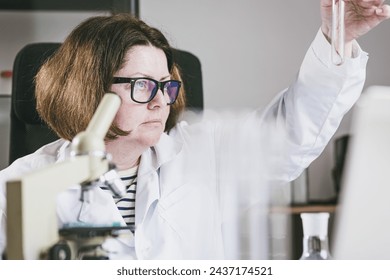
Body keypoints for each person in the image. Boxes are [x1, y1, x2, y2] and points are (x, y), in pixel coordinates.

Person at [0, 0, 389, 259]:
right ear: (88, 87)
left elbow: (288, 135)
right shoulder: (20, 186)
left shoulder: (200, 156)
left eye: (165, 85)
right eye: (141, 85)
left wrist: (340, 36)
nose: (160, 102)